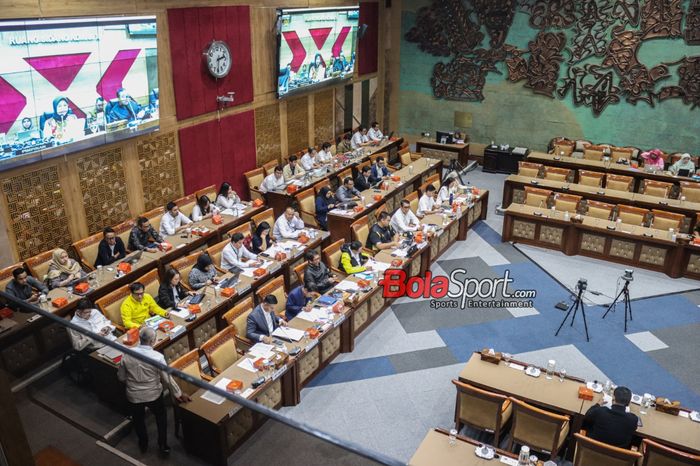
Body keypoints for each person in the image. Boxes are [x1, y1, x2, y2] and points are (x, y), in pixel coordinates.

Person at [117, 326, 189, 456]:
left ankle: (143, 443)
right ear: (153, 341)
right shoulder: (157, 357)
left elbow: (121, 377)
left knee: (138, 420)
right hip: (154, 394)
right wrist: (178, 393)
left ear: (139, 338)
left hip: (134, 395)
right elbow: (167, 379)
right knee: (161, 418)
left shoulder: (127, 354)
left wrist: (133, 383)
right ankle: (163, 444)